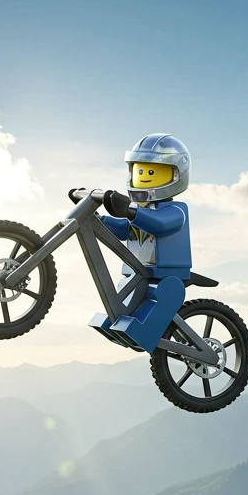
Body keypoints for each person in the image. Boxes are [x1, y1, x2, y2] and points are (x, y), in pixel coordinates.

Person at [89, 133, 192, 352]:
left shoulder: (175, 210)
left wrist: (130, 210)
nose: (144, 177)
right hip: (137, 271)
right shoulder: (141, 212)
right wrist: (100, 220)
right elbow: (125, 230)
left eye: (151, 172)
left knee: (163, 295)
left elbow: (161, 225)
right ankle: (120, 324)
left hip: (165, 274)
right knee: (123, 297)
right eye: (140, 171)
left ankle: (144, 333)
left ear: (175, 173)